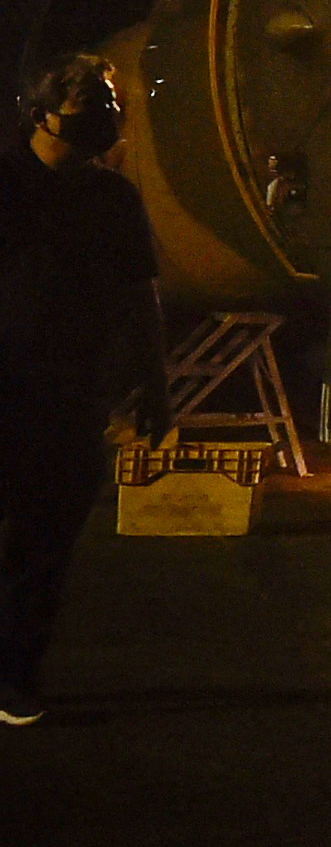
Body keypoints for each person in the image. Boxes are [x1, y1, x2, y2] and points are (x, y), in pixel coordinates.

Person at [0, 56, 168, 726]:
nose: (103, 117)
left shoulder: (114, 198)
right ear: (40, 113)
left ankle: (14, 679)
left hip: (69, 399)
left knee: (43, 552)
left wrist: (157, 388)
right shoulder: (5, 184)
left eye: (109, 103)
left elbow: (140, 296)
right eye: (86, 103)